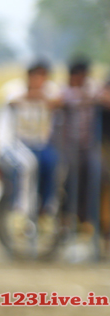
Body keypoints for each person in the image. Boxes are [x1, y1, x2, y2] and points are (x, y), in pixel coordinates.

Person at [0, 59, 61, 224]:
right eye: (37, 76)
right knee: (27, 165)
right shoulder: (13, 88)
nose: (40, 81)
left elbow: (58, 102)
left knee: (54, 163)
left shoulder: (50, 90)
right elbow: (12, 101)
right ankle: (21, 210)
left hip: (38, 143)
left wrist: (43, 97)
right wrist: (35, 96)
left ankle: (46, 209)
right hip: (12, 142)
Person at [54, 57, 102, 229]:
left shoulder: (91, 88)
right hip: (68, 147)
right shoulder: (63, 91)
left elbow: (102, 97)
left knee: (94, 175)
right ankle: (66, 216)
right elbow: (58, 101)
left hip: (88, 146)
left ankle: (87, 218)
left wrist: (89, 97)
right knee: (70, 179)